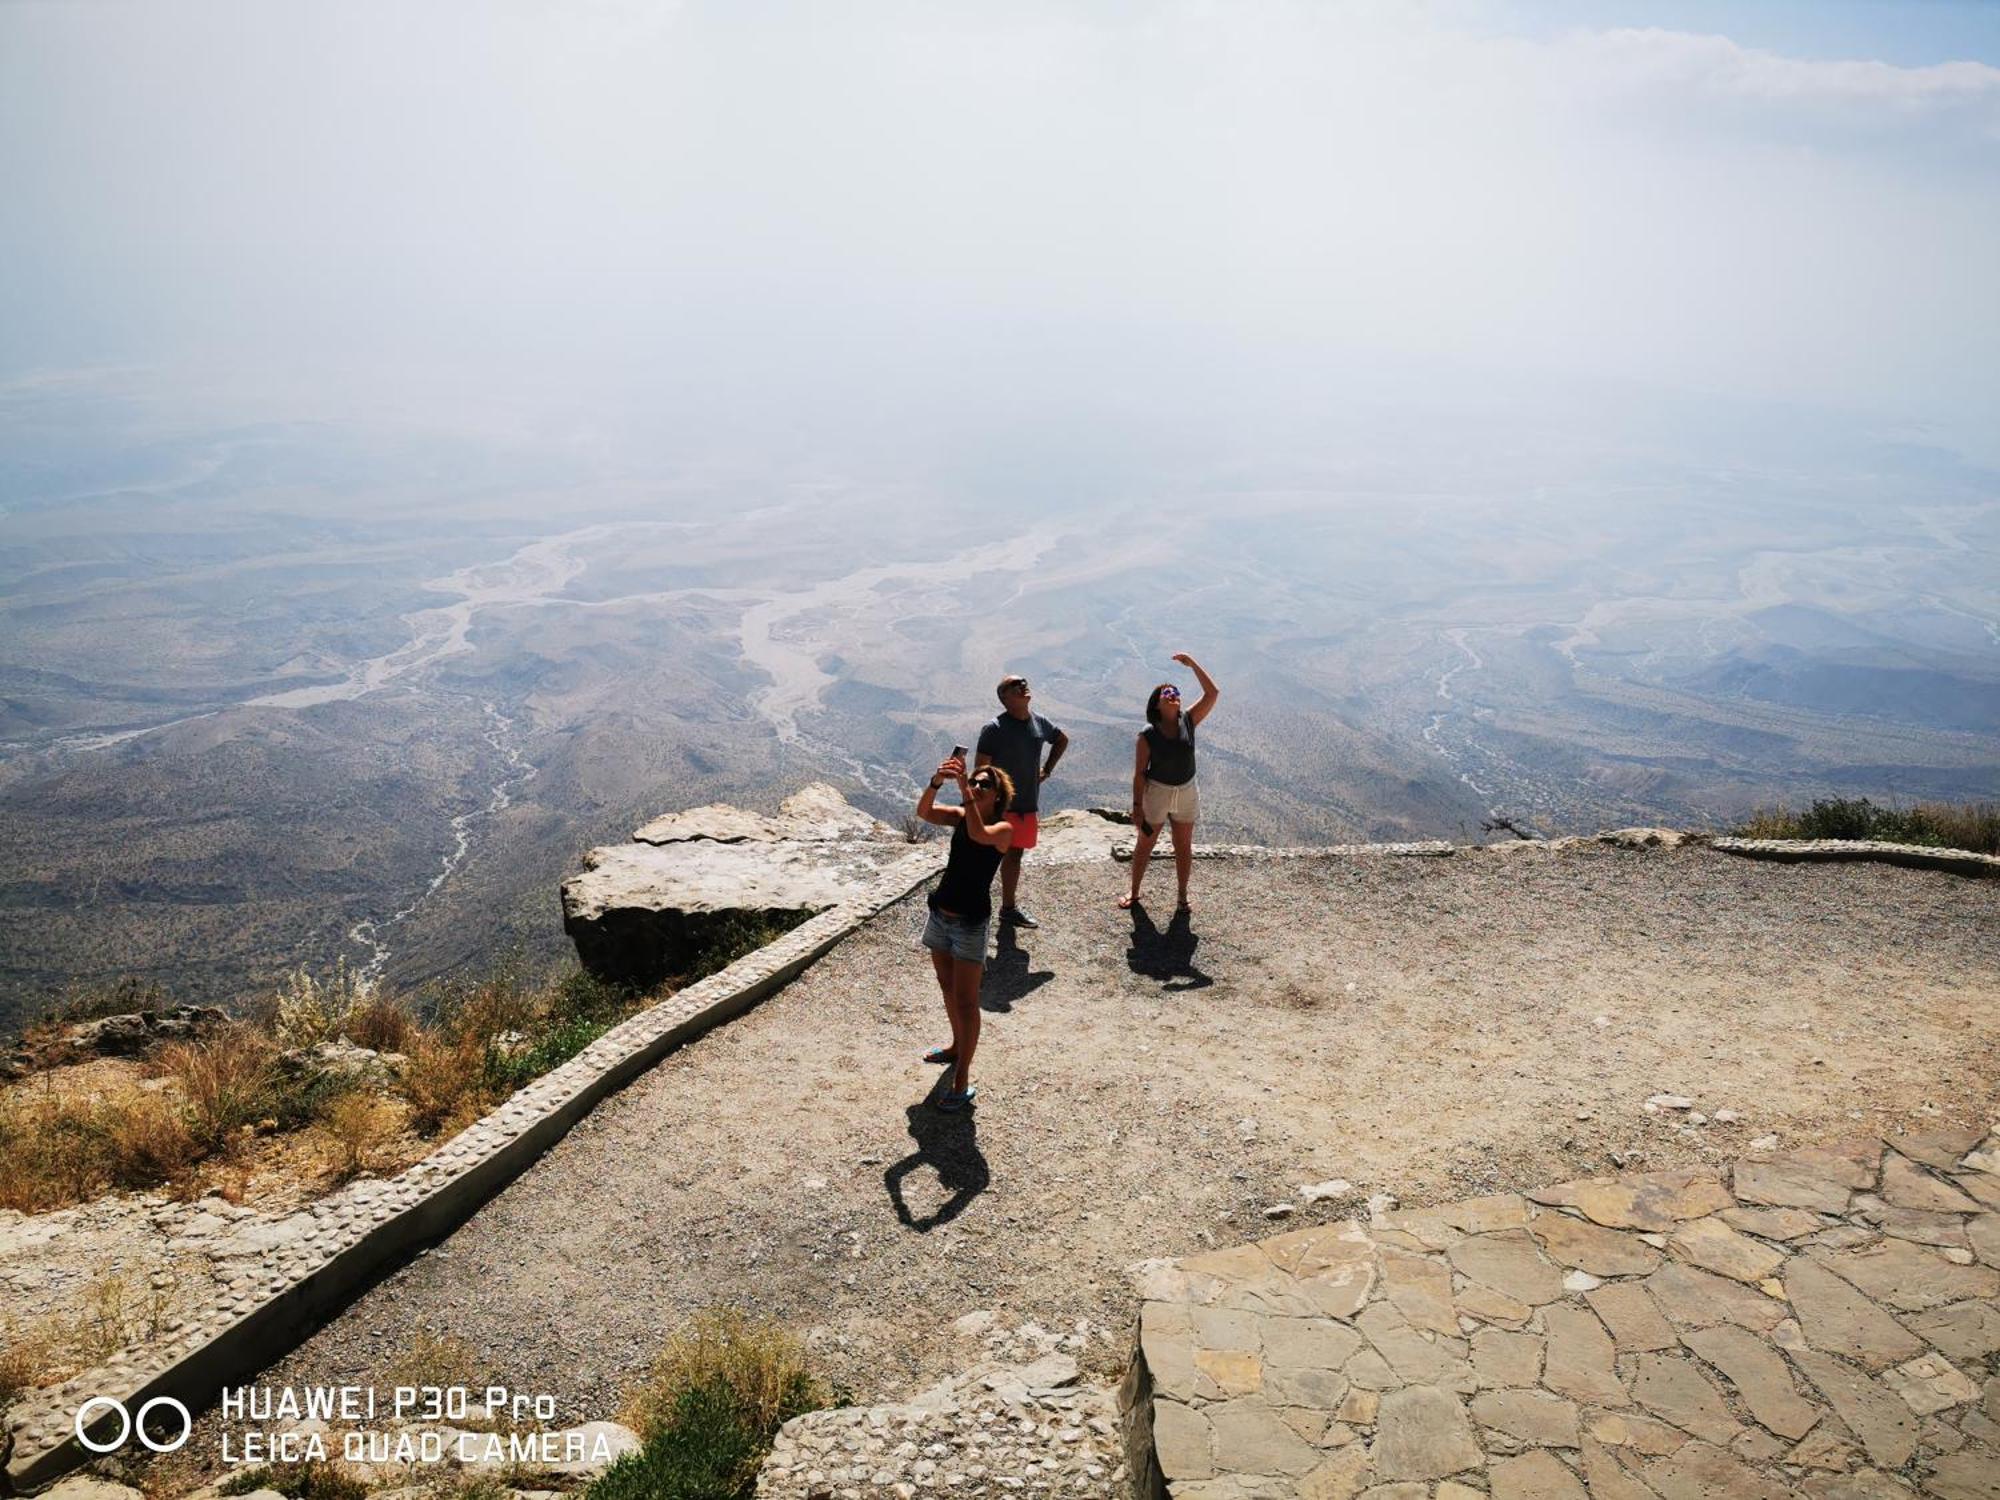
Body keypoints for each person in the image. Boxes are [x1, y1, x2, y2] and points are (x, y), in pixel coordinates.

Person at [913, 755, 1017, 1111]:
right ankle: (956, 1047)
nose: (975, 786)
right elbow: (924, 812)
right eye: (973, 781)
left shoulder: (1003, 830)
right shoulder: (960, 817)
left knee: (967, 1001)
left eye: (983, 784)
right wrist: (937, 780)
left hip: (970, 924)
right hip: (941, 915)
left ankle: (962, 1078)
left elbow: (979, 834)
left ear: (998, 797)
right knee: (947, 987)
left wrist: (961, 789)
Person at [1120, 652, 1219, 912]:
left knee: (1183, 845)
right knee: (1145, 844)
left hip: (1186, 791)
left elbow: (1212, 693)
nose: (1174, 694)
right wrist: (1137, 806)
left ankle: (1183, 897)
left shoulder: (1188, 720)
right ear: (1156, 705)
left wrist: (1193, 664)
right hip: (1157, 794)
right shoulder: (1148, 735)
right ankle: (1134, 893)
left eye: (1175, 691)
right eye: (1167, 693)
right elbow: (1139, 773)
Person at [974, 674, 1068, 929]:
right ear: (1005, 698)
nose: (1023, 687)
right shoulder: (994, 729)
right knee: (986, 857)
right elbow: (981, 771)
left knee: (1014, 857)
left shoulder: (1039, 722)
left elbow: (1061, 739)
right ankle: (971, 909)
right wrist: (982, 805)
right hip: (1000, 807)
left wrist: (1047, 769)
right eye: (1016, 686)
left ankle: (1007, 909)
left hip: (1026, 805)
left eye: (1024, 683)